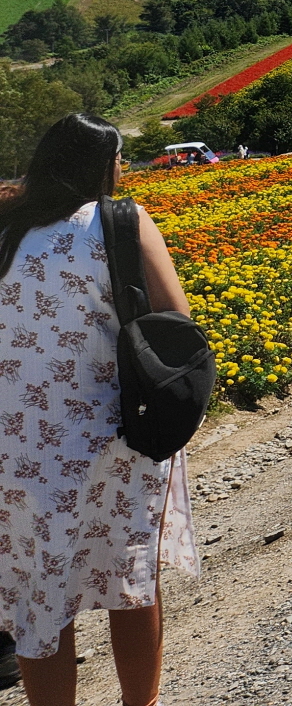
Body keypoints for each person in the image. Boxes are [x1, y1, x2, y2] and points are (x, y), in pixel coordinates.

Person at [0, 112, 200, 706]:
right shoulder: (122, 222)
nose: (122, 170)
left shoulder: (6, 230)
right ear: (100, 165)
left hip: (18, 446)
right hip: (119, 435)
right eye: (118, 160)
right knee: (130, 583)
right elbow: (176, 323)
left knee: (42, 599)